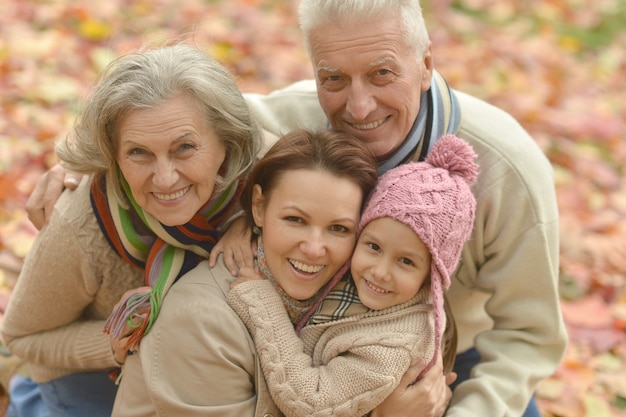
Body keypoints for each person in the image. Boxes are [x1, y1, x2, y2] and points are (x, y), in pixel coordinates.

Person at [25, 0, 568, 416]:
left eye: (382, 73)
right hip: (308, 342)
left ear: (425, 64)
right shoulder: (293, 117)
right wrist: (87, 167)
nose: (357, 106)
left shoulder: (508, 171)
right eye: (333, 78)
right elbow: (180, 121)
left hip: (445, 359)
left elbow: (527, 337)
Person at [1, 43, 262, 417]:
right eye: (138, 152)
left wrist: (245, 221)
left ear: (227, 142)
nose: (165, 178)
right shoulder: (79, 225)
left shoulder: (260, 185)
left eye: (184, 147)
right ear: (112, 155)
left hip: (200, 371)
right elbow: (21, 336)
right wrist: (117, 340)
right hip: (90, 380)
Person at [110, 128, 380, 416]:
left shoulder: (350, 299)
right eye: (295, 220)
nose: (314, 249)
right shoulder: (202, 320)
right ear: (259, 207)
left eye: (339, 229)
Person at [227, 134, 477, 417]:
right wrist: (242, 224)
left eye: (406, 261)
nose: (380, 271)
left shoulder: (392, 347)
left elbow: (311, 401)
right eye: (373, 246)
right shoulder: (352, 279)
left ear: (432, 275)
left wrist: (262, 304)